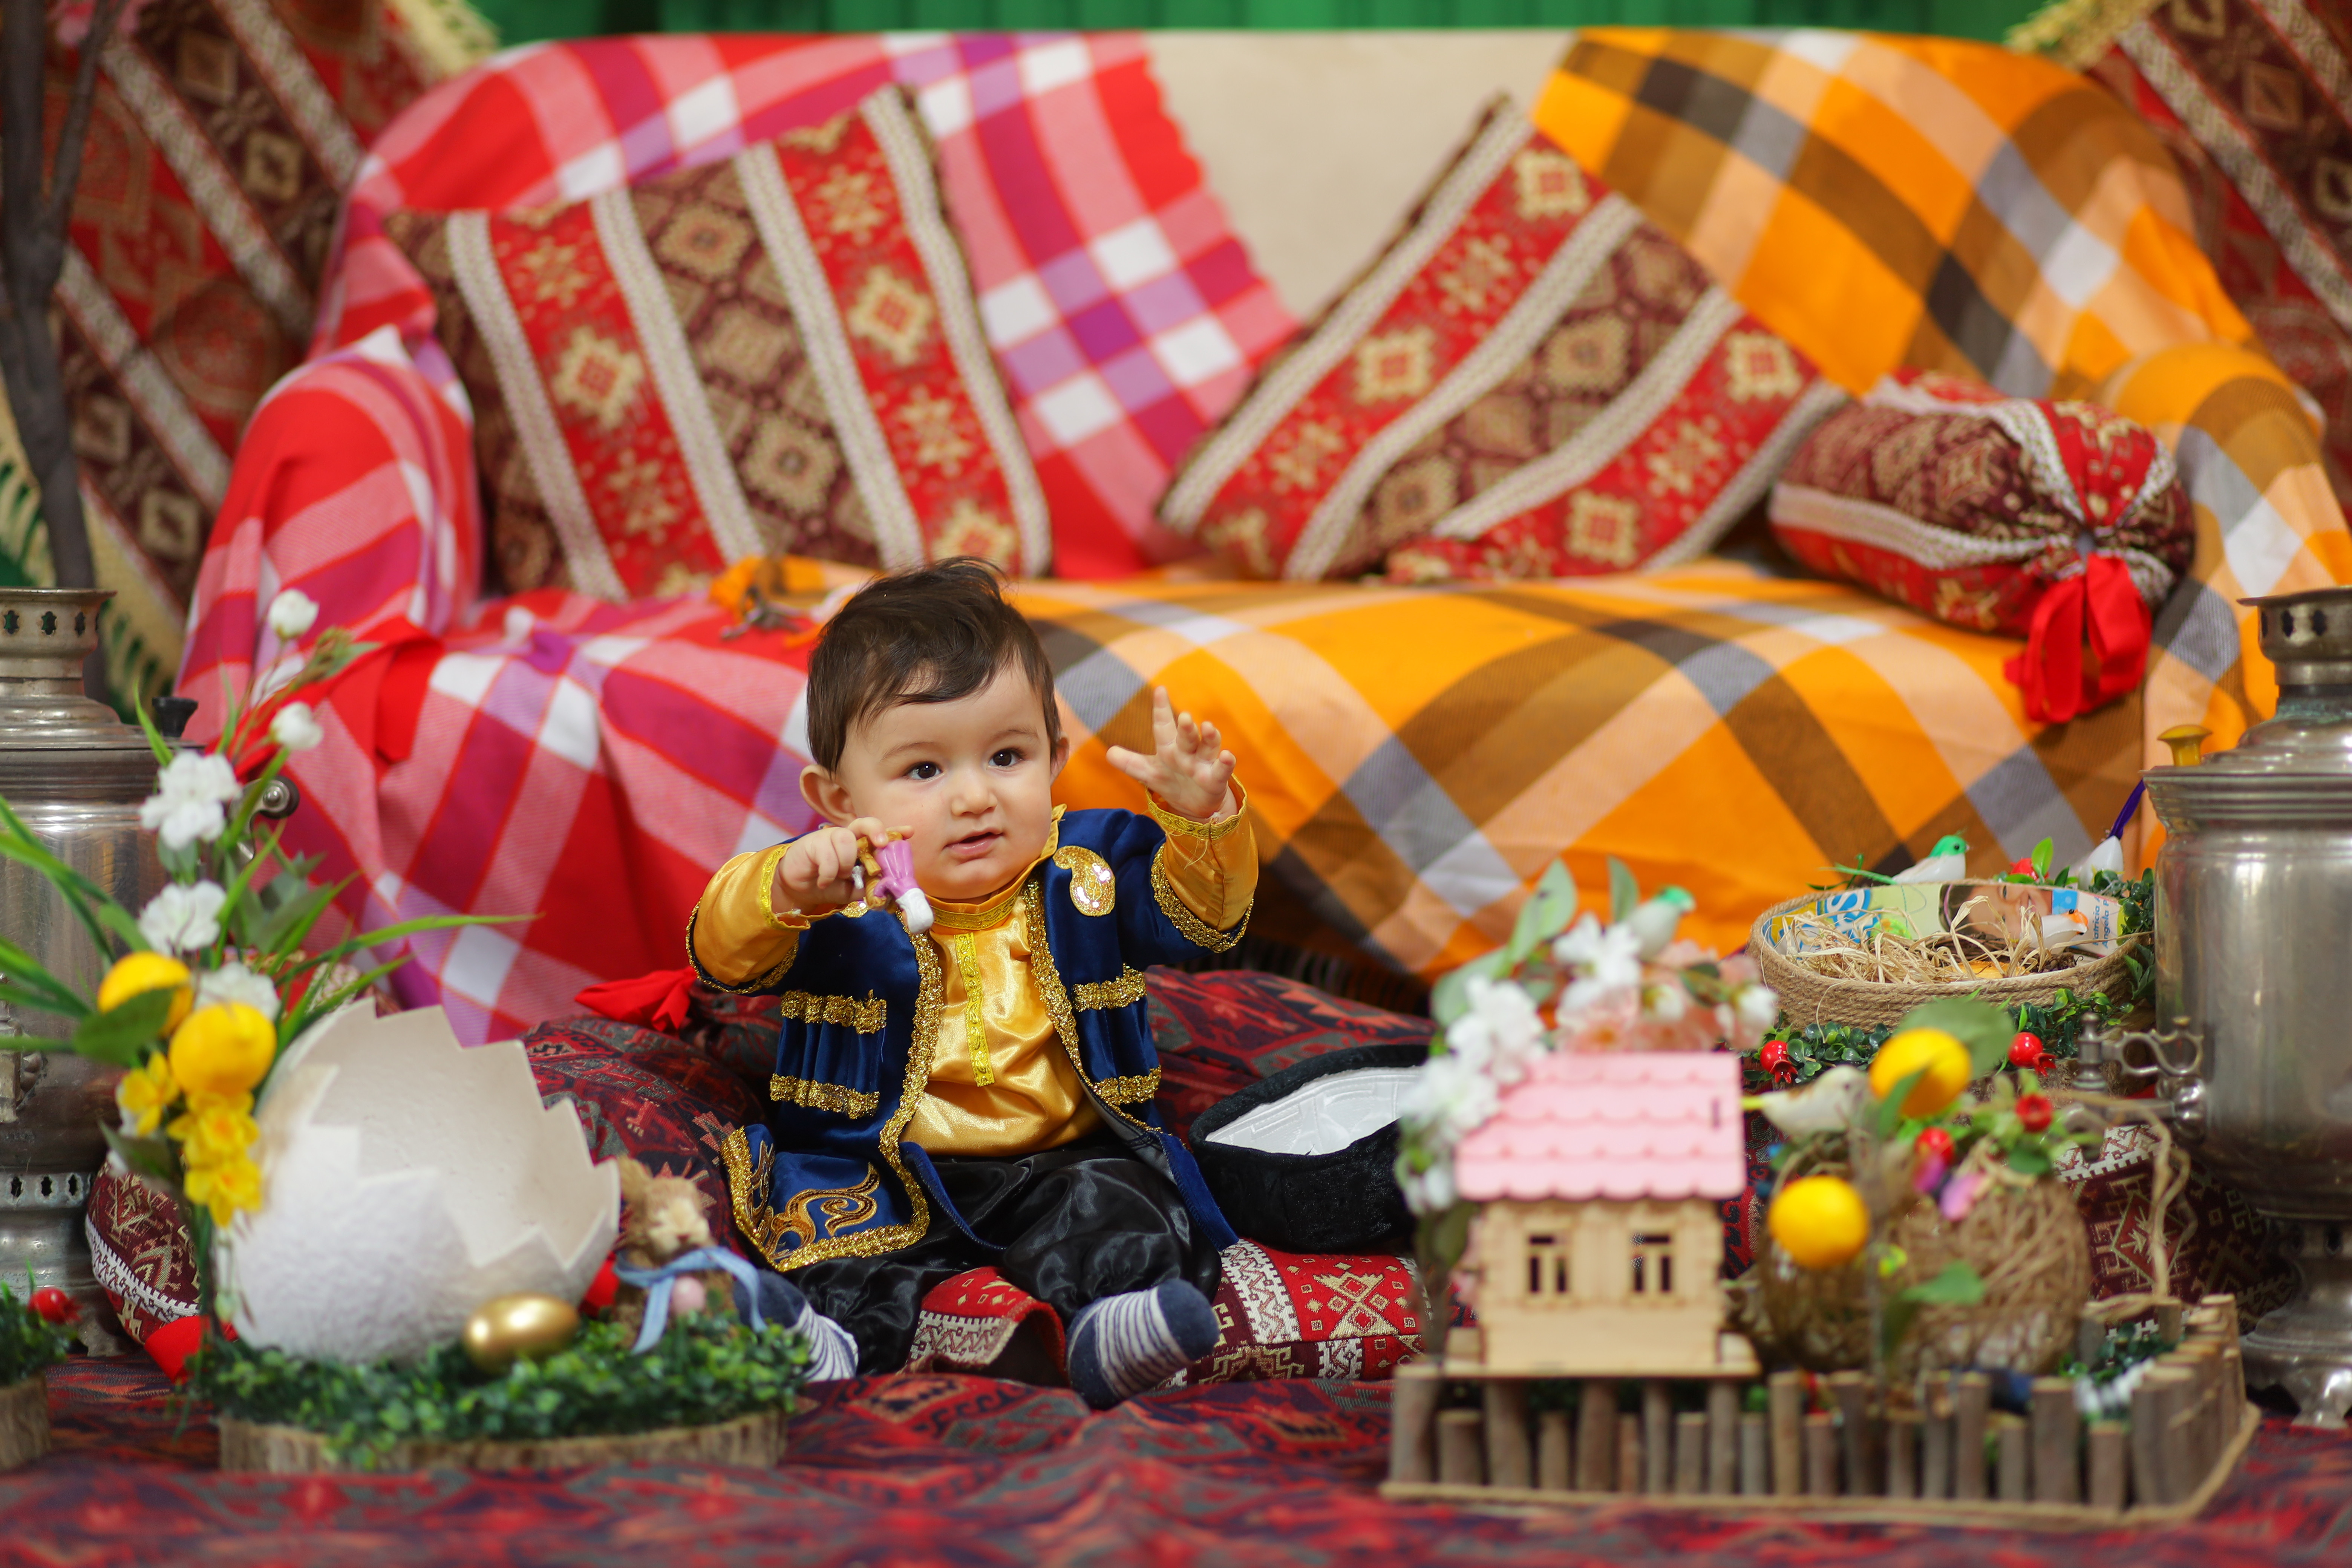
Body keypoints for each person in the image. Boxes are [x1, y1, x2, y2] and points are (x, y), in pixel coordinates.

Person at [686, 559, 1253, 1406]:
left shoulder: (1089, 865)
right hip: (880, 1164)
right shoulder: (833, 888)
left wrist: (1204, 821)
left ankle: (1106, 1329)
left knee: (1129, 1210)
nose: (976, 796)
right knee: (832, 1238)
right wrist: (781, 886)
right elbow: (722, 956)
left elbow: (1201, 920)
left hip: (1063, 1157)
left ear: (1056, 758)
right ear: (838, 798)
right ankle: (832, 1343)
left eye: (1007, 755)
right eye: (925, 771)